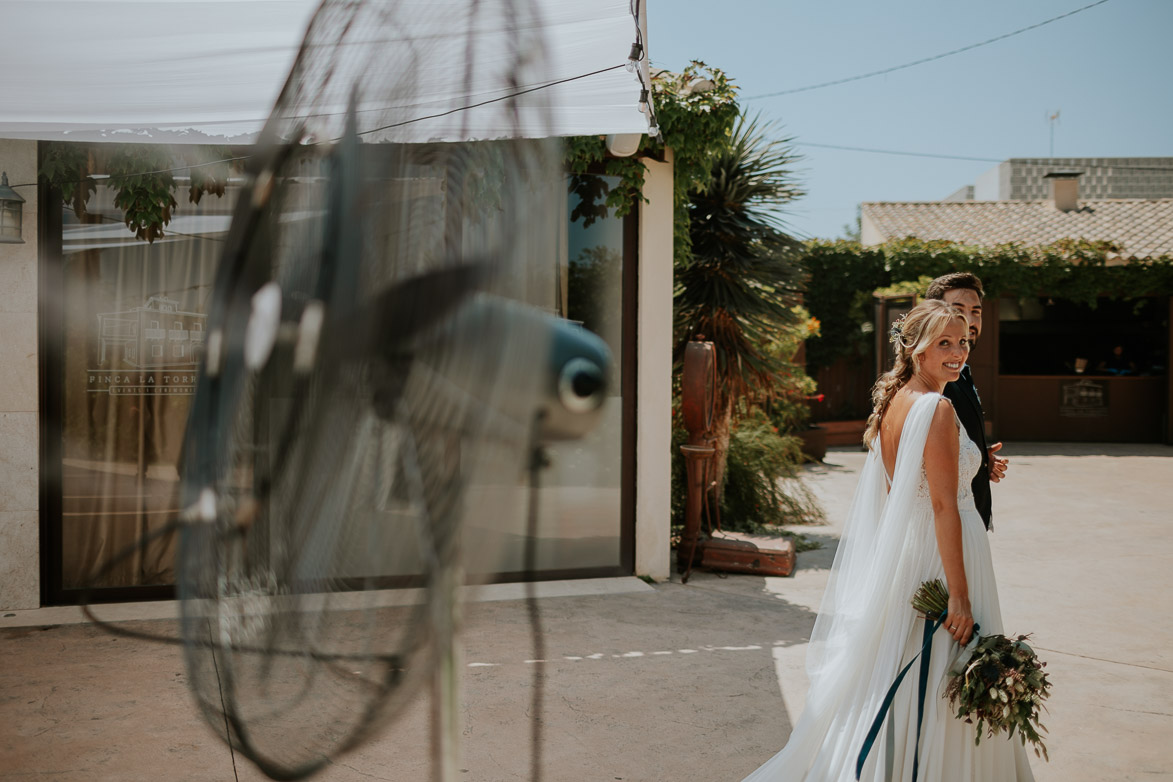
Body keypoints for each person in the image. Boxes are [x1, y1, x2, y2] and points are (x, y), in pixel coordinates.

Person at [741, 300, 1033, 782]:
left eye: (963, 342)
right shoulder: (936, 408)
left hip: (911, 551)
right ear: (915, 349)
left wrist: (976, 465)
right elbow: (942, 506)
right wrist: (958, 595)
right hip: (942, 557)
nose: (958, 352)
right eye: (944, 342)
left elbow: (911, 486)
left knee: (901, 665)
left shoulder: (897, 399)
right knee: (939, 670)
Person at [924, 272, 1007, 530]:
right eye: (958, 309)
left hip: (974, 517)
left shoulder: (960, 371)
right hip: (948, 528)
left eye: (977, 312)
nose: (969, 320)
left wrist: (979, 458)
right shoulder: (932, 381)